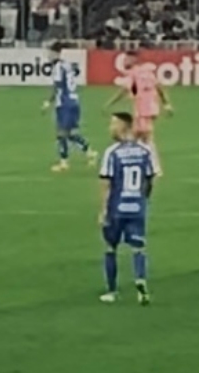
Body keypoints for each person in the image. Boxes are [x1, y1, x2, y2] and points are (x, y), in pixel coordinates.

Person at [98, 113, 155, 305]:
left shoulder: (112, 152)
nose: (110, 127)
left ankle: (112, 291)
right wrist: (143, 200)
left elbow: (106, 183)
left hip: (117, 207)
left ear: (124, 126)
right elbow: (149, 180)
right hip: (137, 206)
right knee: (138, 247)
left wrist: (103, 210)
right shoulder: (144, 150)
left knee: (110, 247)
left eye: (113, 123)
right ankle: (140, 281)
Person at [104, 51, 172, 175]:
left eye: (127, 59)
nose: (125, 62)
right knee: (139, 136)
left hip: (142, 108)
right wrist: (166, 104)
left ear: (134, 60)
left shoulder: (133, 74)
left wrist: (110, 103)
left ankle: (154, 167)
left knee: (142, 136)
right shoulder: (147, 72)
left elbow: (124, 90)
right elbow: (159, 86)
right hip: (151, 107)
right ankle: (141, 164)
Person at [42, 43, 97, 172]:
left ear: (56, 53)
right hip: (74, 101)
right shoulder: (67, 65)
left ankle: (63, 163)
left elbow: (58, 86)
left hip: (64, 103)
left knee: (61, 133)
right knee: (70, 133)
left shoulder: (57, 67)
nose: (48, 56)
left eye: (50, 53)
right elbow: (76, 71)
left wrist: (48, 102)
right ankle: (90, 152)